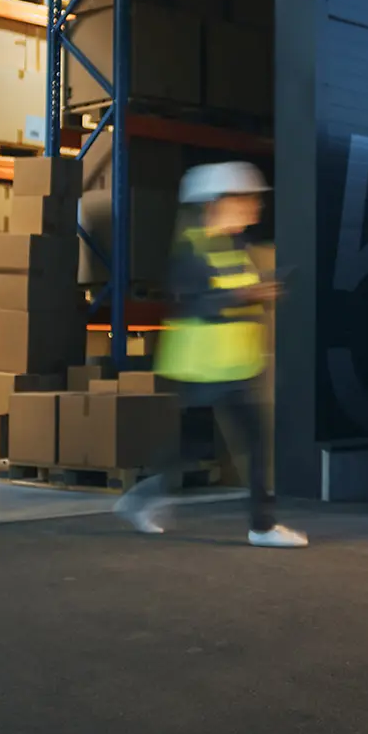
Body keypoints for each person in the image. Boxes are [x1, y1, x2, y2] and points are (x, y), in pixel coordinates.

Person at [113, 162, 307, 549]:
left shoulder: (234, 247)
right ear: (216, 203)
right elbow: (199, 302)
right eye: (245, 200)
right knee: (222, 444)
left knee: (207, 445)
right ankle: (260, 525)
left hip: (235, 364)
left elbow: (234, 296)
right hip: (203, 366)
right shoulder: (191, 249)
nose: (253, 208)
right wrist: (250, 295)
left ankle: (147, 499)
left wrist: (261, 293)